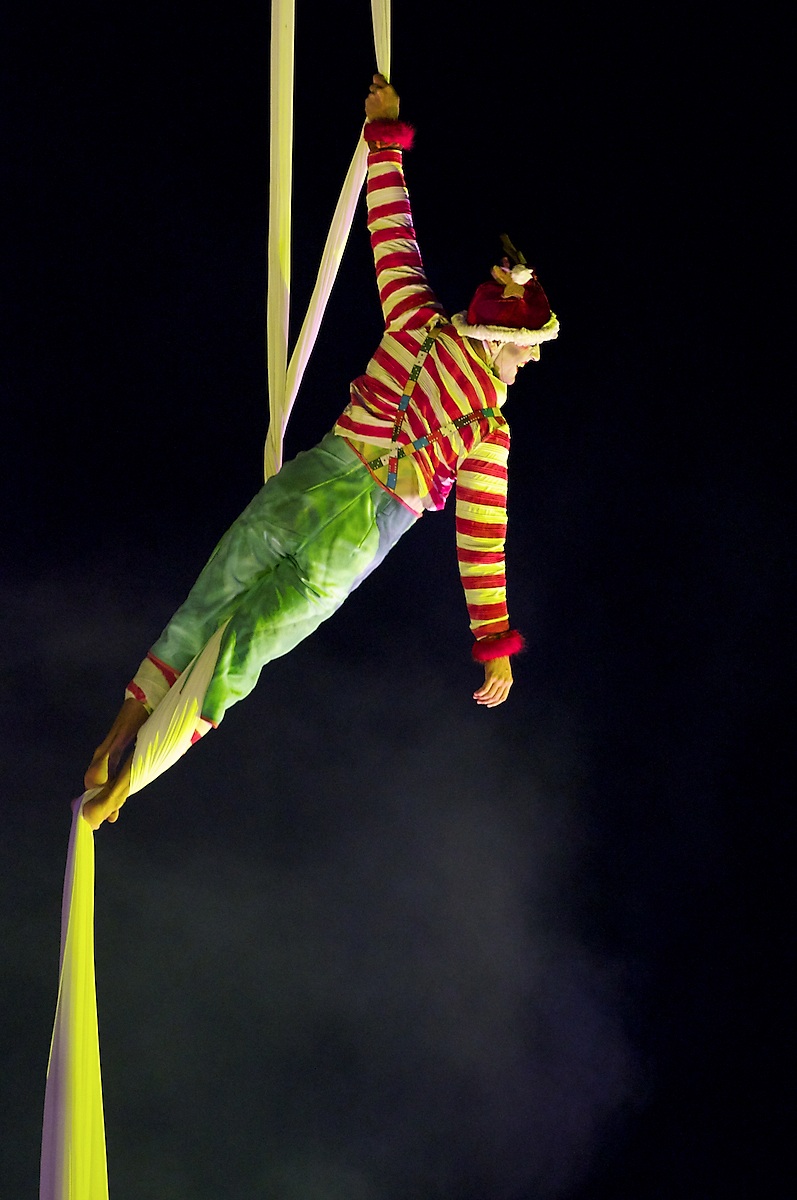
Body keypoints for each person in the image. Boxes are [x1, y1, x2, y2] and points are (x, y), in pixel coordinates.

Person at [82, 74, 559, 830]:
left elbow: (390, 230)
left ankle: (114, 740)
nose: (530, 362)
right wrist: (492, 643)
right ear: (501, 339)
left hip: (315, 478)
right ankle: (129, 781)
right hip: (357, 535)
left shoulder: (417, 321)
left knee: (209, 603)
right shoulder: (487, 430)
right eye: (529, 348)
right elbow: (480, 541)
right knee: (244, 649)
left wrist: (386, 137)